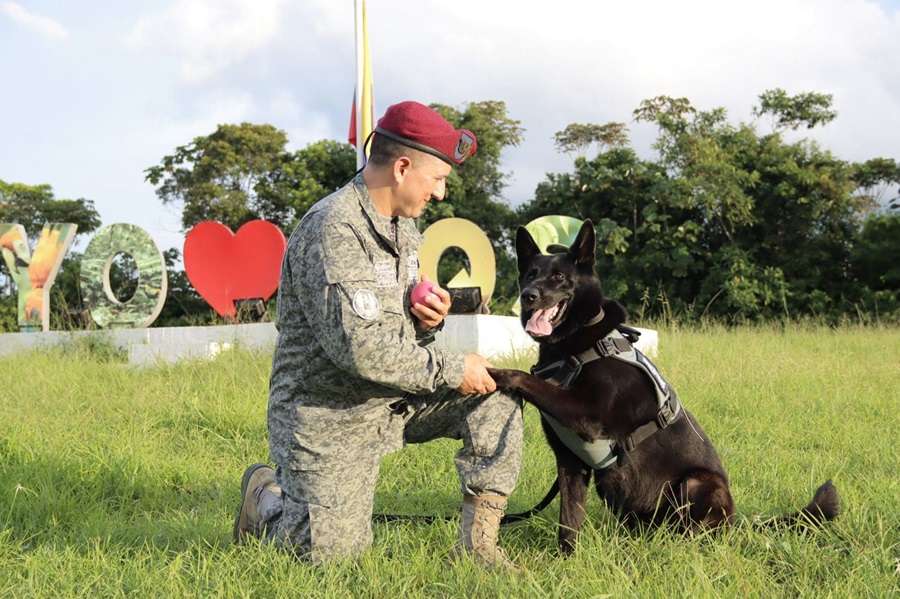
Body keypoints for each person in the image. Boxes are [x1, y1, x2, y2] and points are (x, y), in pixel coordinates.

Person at [233, 101, 523, 570]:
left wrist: (425, 321)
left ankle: (477, 550)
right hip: (328, 414)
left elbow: (387, 327)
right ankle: (266, 501)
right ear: (402, 168)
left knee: (496, 395)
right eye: (437, 179)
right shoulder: (333, 228)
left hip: (391, 397)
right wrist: (453, 367)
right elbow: (359, 349)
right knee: (330, 561)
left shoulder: (402, 224)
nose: (441, 192)